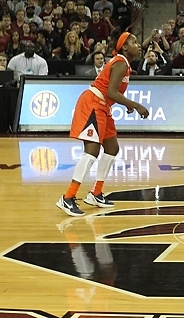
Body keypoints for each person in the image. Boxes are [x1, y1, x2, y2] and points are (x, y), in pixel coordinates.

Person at [56, 33, 149, 217]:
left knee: (112, 147)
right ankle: (68, 197)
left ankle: (96, 193)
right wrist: (135, 105)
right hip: (92, 103)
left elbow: (112, 94)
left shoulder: (124, 63)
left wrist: (125, 104)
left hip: (103, 105)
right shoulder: (120, 63)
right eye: (134, 43)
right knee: (92, 151)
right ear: (124, 47)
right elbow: (112, 92)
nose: (139, 46)